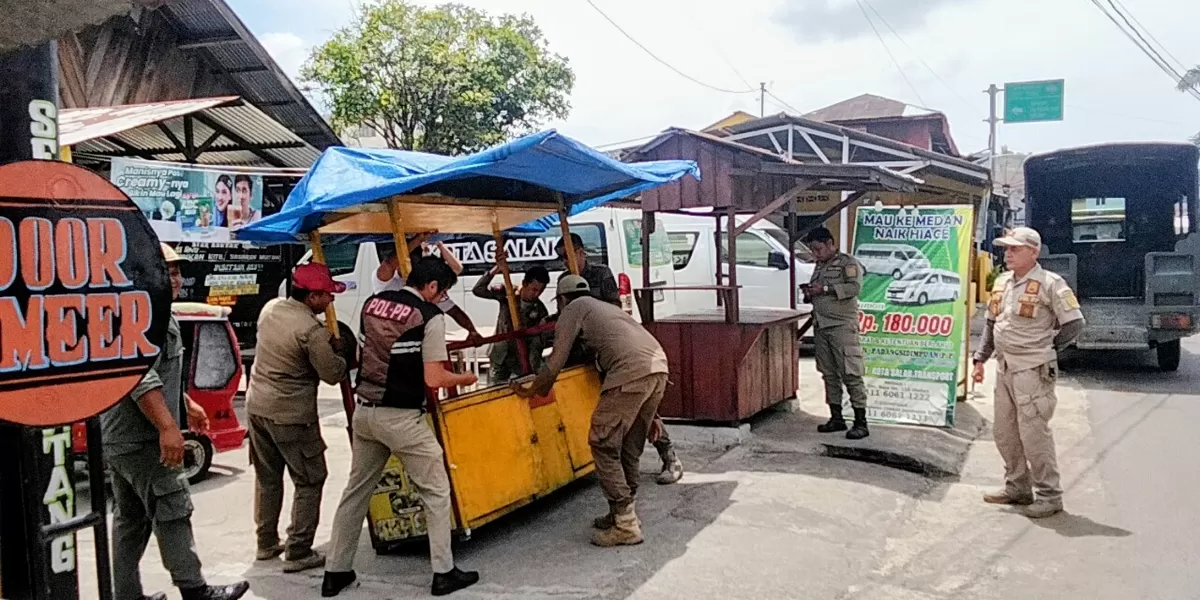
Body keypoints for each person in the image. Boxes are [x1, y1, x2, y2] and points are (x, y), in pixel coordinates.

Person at [322, 258, 480, 597]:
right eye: (443, 292)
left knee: (355, 493)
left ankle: (335, 571)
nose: (441, 300)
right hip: (401, 418)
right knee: (437, 491)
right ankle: (443, 572)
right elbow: (434, 377)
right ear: (433, 287)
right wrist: (466, 377)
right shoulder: (428, 316)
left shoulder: (372, 303)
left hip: (364, 414)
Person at [102, 244, 250, 600]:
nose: (175, 279)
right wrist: (169, 428)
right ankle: (195, 591)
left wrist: (186, 405)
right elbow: (142, 377)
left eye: (177, 272)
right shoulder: (140, 313)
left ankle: (126, 595)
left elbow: (160, 373)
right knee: (173, 508)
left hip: (123, 438)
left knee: (130, 520)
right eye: (166, 272)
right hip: (142, 438)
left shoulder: (149, 309)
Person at [513, 275, 669, 547]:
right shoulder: (604, 309)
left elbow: (554, 363)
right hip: (658, 367)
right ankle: (623, 513)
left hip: (630, 374)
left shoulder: (573, 310)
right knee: (630, 446)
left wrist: (532, 388)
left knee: (603, 443)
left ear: (562, 299)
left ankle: (625, 523)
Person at [973, 227, 1084, 519]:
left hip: (1032, 371)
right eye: (1006, 248)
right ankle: (1017, 488)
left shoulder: (1050, 283)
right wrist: (980, 358)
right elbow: (990, 322)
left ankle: (1049, 495)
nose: (1007, 253)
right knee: (1005, 433)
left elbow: (1074, 323)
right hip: (1005, 367)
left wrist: (1048, 347)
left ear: (1033, 252)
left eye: (1014, 248)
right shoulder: (1002, 282)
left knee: (1034, 435)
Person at [555, 233, 683, 485]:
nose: (563, 263)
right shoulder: (564, 281)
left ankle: (668, 456)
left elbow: (614, 305)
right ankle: (623, 477)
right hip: (590, 351)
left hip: (617, 352)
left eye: (566, 256)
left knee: (641, 411)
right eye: (560, 259)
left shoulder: (601, 274)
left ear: (580, 252)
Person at [245, 263, 348, 572]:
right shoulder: (311, 331)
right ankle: (299, 550)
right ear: (312, 296)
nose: (331, 300)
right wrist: (340, 353)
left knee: (268, 477)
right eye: (327, 295)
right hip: (291, 415)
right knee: (310, 478)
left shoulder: (271, 308)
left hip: (257, 407)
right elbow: (332, 374)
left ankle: (266, 543)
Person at [801, 226, 869, 440]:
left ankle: (860, 422)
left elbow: (854, 289)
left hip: (842, 327)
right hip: (821, 326)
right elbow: (818, 289)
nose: (815, 254)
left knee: (851, 374)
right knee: (828, 374)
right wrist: (810, 293)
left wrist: (826, 290)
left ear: (830, 244)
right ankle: (836, 417)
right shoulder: (820, 266)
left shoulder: (848, 263)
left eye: (818, 249)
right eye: (812, 250)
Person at [376, 237, 483, 342]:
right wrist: (418, 240)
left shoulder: (432, 294)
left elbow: (455, 311)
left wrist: (472, 331)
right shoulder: (390, 282)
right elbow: (387, 265)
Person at [472, 252, 551, 383]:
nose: (536, 294)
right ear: (524, 283)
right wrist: (497, 268)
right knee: (494, 392)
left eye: (540, 291)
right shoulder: (508, 293)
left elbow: (538, 341)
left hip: (521, 360)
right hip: (500, 356)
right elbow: (478, 290)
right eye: (534, 289)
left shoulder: (540, 310)